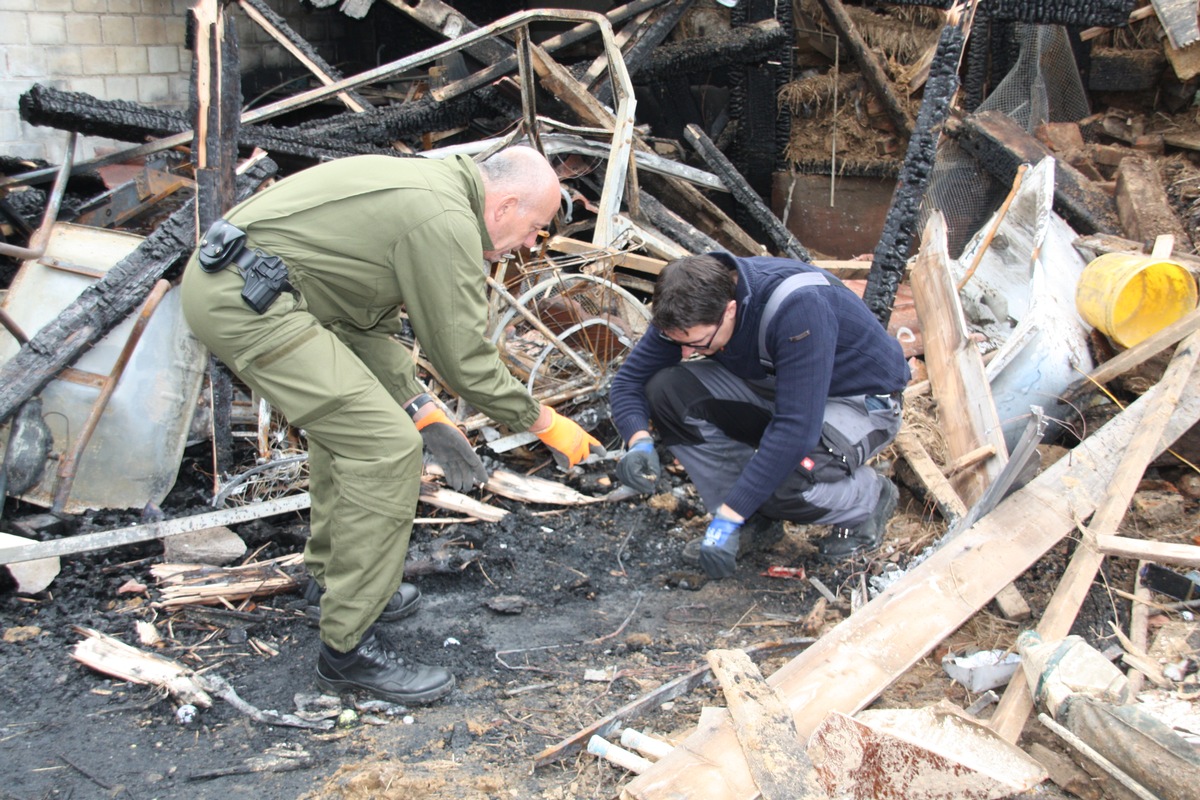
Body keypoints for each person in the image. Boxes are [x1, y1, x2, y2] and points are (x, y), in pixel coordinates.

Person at [180, 146, 604, 704]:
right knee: (385, 449)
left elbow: (366, 326)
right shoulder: (446, 218)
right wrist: (545, 422)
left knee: (354, 431)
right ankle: (347, 650)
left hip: (265, 290)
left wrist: (420, 408)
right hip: (247, 301)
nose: (531, 244)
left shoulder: (436, 192)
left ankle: (334, 582)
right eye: (536, 229)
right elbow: (464, 359)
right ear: (504, 205)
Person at [609, 252, 909, 578]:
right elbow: (629, 381)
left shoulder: (798, 309)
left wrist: (731, 513)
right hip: (782, 392)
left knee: (779, 486)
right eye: (677, 342)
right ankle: (750, 522)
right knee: (666, 390)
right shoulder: (687, 306)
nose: (684, 353)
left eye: (698, 344)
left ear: (731, 310)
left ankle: (869, 497)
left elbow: (795, 430)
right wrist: (638, 440)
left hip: (857, 401)